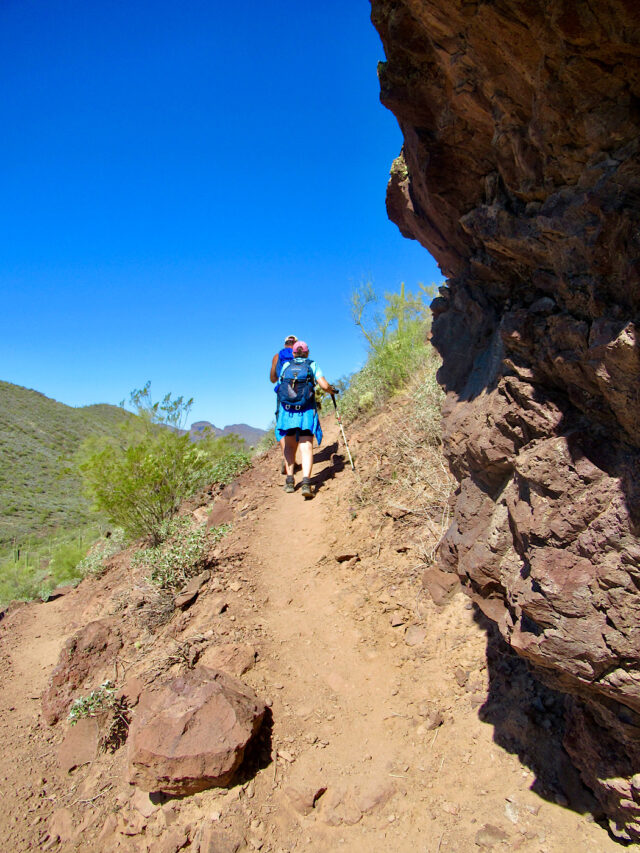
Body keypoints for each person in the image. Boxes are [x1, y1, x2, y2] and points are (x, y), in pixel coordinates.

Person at [275, 340, 336, 499]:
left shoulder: (286, 366)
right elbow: (323, 385)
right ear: (307, 352)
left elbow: (280, 387)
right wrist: (331, 391)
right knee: (306, 445)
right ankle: (307, 483)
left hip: (288, 412)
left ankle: (289, 481)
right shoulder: (312, 364)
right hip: (306, 411)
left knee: (289, 446)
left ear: (294, 353)